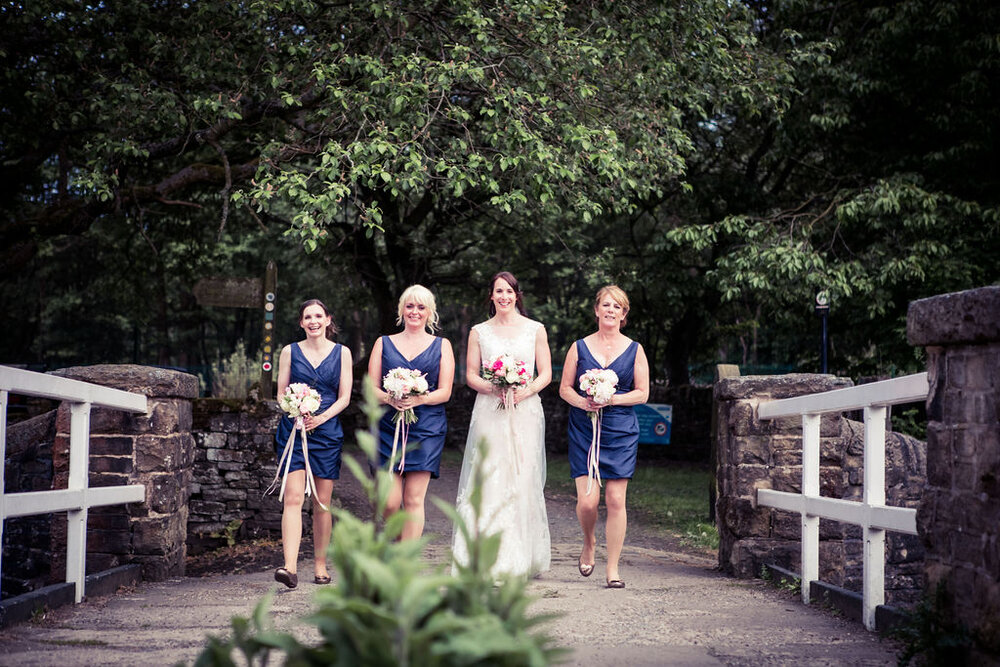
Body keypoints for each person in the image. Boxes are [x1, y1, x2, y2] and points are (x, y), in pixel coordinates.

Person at [452, 271, 552, 578]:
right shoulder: (479, 332)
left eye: (509, 291)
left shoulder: (535, 329)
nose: (504, 296)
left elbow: (545, 373)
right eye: (499, 291)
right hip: (490, 409)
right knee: (489, 474)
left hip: (525, 410)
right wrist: (495, 388)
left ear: (517, 295)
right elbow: (470, 374)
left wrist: (524, 391)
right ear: (491, 296)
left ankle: (522, 555)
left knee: (522, 475)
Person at [559, 285, 649, 589]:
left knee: (614, 499)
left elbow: (642, 393)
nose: (611, 310)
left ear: (623, 315)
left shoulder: (635, 349)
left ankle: (612, 568)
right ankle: (588, 541)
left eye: (617, 307)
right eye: (606, 305)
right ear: (597, 310)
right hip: (584, 427)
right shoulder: (579, 347)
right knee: (587, 502)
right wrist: (584, 402)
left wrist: (612, 400)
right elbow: (565, 388)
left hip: (620, 430)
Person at [272, 299, 353, 588]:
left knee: (322, 503)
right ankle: (290, 568)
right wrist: (294, 408)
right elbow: (281, 393)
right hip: (294, 430)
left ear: (328, 320)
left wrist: (321, 418)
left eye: (319, 315)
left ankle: (320, 565)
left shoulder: (342, 353)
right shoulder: (289, 352)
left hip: (327, 432)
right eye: (308, 317)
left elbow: (345, 397)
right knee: (293, 498)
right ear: (301, 322)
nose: (314, 321)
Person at [368, 284, 455, 540]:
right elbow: (370, 388)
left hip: (427, 427)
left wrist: (418, 399)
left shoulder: (442, 345)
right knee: (390, 501)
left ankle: (406, 560)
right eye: (409, 306)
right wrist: (389, 397)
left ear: (430, 312)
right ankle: (398, 536)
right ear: (401, 310)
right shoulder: (383, 343)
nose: (414, 312)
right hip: (388, 426)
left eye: (421, 307)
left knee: (414, 498)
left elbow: (445, 391)